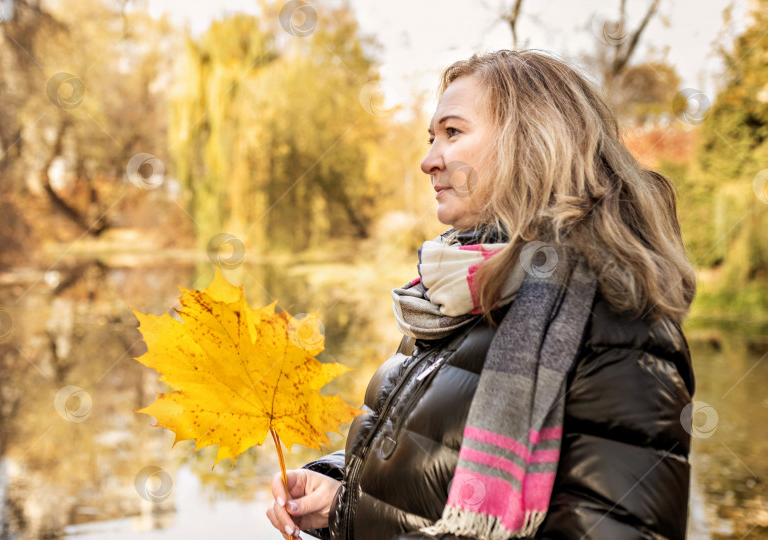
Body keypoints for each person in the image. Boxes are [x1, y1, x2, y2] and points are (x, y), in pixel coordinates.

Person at [266, 49, 696, 540]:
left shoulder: (619, 322)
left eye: (453, 132)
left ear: (532, 142)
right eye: (432, 138)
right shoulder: (448, 300)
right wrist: (341, 497)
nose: (428, 161)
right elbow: (432, 472)